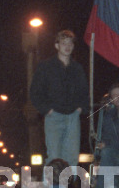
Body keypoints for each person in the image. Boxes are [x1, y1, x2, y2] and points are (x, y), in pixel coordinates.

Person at [30, 30, 89, 165]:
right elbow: (35, 91)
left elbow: (84, 91)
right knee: (54, 157)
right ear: (57, 46)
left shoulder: (77, 68)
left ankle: (68, 186)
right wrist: (47, 109)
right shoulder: (45, 67)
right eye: (63, 43)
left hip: (73, 116)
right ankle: (52, 186)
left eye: (70, 43)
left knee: (72, 157)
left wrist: (81, 108)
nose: (67, 46)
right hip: (54, 116)